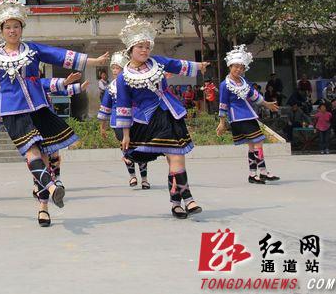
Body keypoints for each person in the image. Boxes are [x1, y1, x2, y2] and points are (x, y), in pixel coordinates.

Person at [0, 0, 109, 227]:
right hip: (13, 113)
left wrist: (93, 62)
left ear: (22, 28)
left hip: (40, 109)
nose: (12, 31)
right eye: (8, 27)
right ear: (1, 30)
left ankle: (43, 207)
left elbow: (59, 55)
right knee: (32, 153)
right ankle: (53, 188)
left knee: (44, 157)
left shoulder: (33, 50)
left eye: (16, 26)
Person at [115, 14, 208, 219]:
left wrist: (198, 66)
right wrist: (126, 134)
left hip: (171, 114)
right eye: (140, 47)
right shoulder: (123, 78)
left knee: (176, 158)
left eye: (147, 47)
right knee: (174, 157)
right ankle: (186, 200)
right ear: (130, 49)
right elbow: (123, 106)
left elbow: (176, 64)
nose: (144, 50)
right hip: (149, 121)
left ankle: (179, 203)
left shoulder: (157, 62)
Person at [0, 72, 88, 197]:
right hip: (29, 126)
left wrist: (78, 87)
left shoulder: (36, 83)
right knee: (36, 157)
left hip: (47, 122)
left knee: (54, 153)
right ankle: (39, 184)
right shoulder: (3, 93)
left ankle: (56, 179)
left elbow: (58, 88)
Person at [216, 45, 280, 185]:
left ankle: (253, 174)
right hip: (238, 117)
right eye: (236, 67)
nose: (238, 69)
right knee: (258, 142)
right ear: (230, 66)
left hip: (248, 115)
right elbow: (223, 103)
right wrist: (222, 122)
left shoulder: (244, 82)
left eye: (241, 67)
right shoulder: (225, 85)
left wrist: (267, 104)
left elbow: (254, 96)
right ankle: (263, 171)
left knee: (252, 145)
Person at [99, 51, 151, 190]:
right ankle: (132, 176)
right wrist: (102, 127)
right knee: (125, 147)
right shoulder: (111, 87)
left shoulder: (134, 82)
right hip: (117, 121)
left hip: (137, 119)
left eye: (117, 68)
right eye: (113, 68)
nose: (114, 71)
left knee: (141, 148)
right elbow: (105, 107)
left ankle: (144, 179)